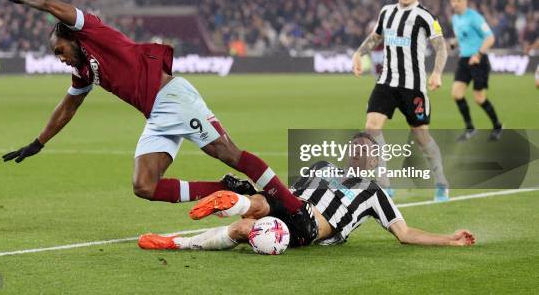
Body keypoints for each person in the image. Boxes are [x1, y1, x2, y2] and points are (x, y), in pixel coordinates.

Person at [0, 0, 317, 245]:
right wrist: (39, 142)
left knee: (227, 152)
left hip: (173, 98)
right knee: (144, 185)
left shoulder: (92, 30)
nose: (59, 58)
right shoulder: (82, 72)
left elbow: (51, 3)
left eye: (59, 50)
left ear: (72, 38)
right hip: (158, 115)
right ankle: (225, 187)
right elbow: (68, 107)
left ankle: (294, 208)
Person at [138, 133, 476, 251]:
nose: (360, 154)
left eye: (367, 152)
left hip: (311, 226)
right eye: (356, 149)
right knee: (256, 214)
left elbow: (405, 233)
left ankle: (236, 198)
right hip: (291, 213)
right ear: (348, 154)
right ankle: (180, 239)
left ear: (375, 162)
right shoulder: (322, 166)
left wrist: (450, 238)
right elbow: (283, 194)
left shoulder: (375, 193)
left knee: (254, 216)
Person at [351, 0, 449, 202]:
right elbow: (376, 37)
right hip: (386, 81)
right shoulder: (387, 12)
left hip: (413, 86)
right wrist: (358, 53)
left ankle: (442, 182)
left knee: (421, 136)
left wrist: (436, 73)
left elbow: (441, 47)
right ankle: (385, 184)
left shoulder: (425, 16)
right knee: (371, 127)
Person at [449, 0, 503, 141]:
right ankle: (470, 128)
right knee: (456, 94)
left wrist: (478, 55)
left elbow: (490, 37)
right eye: (453, 0)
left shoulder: (475, 17)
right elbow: (463, 38)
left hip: (478, 61)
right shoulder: (454, 19)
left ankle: (497, 126)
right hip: (464, 60)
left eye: (458, 0)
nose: (455, 4)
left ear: (465, 1)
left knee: (479, 98)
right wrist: (453, 44)